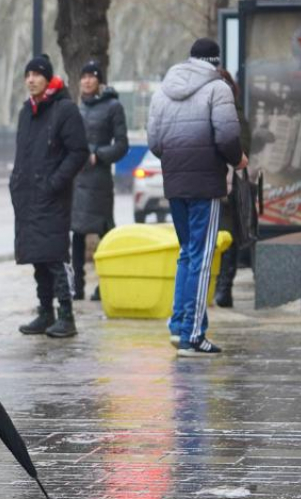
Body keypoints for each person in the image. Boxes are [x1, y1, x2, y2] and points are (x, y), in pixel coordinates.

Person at [147, 38, 247, 357]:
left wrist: (177, 160)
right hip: (206, 183)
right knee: (202, 259)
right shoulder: (218, 89)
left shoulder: (164, 89)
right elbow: (228, 136)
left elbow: (154, 141)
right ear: (215, 62)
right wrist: (237, 159)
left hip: (175, 182)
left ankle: (178, 327)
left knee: (187, 254)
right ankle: (193, 335)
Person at [11, 54, 89, 338]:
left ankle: (66, 314)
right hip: (28, 197)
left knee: (56, 257)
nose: (31, 79)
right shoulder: (26, 111)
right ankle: (45, 312)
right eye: (27, 74)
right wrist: (16, 184)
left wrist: (55, 182)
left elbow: (79, 151)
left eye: (36, 74)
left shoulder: (64, 109)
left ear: (48, 78)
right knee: (37, 256)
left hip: (52, 196)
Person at [71, 60, 129, 302]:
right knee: (76, 233)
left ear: (99, 80)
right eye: (83, 77)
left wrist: (98, 154)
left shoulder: (113, 107)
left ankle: (106, 284)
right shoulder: (77, 107)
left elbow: (122, 145)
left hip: (99, 179)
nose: (86, 81)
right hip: (77, 178)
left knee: (105, 232)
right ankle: (77, 285)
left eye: (91, 76)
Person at [214, 69, 253, 308]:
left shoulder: (237, 114)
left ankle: (224, 287)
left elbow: (244, 149)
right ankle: (218, 287)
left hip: (230, 187)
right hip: (211, 186)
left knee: (228, 238)